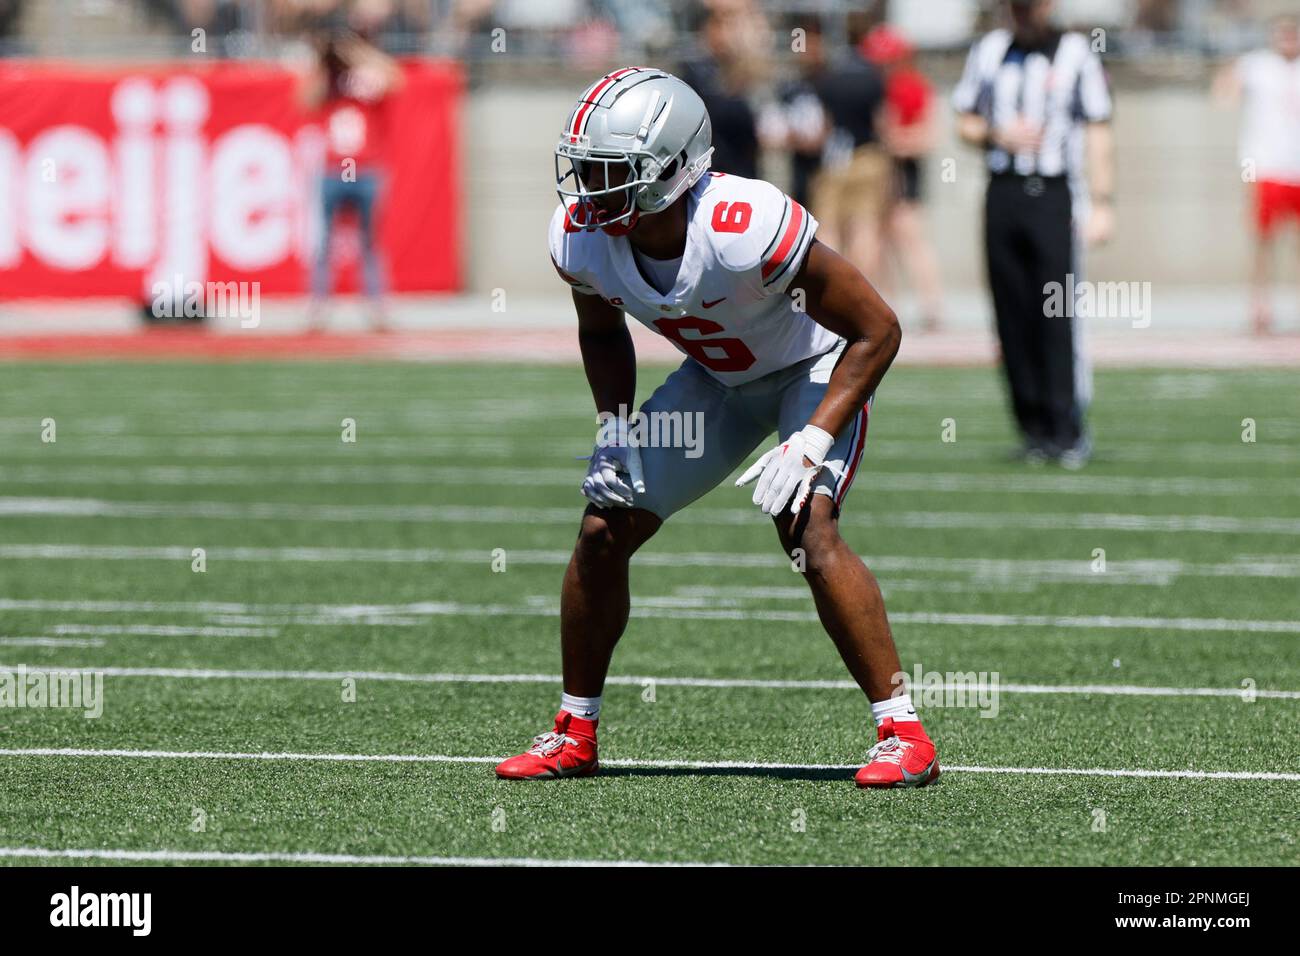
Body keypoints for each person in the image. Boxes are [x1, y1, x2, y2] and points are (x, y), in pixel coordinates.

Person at [494, 68, 939, 790]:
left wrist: (815, 437)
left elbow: (877, 329)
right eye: (586, 168)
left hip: (812, 371)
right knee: (603, 530)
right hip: (719, 385)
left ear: (670, 171)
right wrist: (613, 428)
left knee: (807, 527)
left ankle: (904, 732)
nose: (588, 189)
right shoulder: (584, 239)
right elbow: (603, 334)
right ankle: (574, 731)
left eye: (610, 172)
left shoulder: (741, 227)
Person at [953, 0, 1114, 469]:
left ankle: (1067, 428)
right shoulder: (989, 51)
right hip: (1003, 191)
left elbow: (1099, 126)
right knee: (1010, 311)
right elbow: (964, 119)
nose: (1022, 15)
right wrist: (997, 135)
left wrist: (1103, 201)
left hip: (1053, 193)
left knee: (1055, 308)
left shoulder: (1077, 53)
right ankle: (1032, 427)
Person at [300, 27, 403, 331]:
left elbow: (395, 79)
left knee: (370, 243)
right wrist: (324, 61)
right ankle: (318, 308)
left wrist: (355, 52)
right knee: (324, 243)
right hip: (333, 169)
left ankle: (377, 309)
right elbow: (304, 100)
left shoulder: (367, 78)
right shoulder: (328, 81)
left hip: (366, 170)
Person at [1214, 14, 1300, 336]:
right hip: (1265, 166)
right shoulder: (1258, 65)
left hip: (1298, 168)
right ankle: (1259, 305)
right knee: (1262, 239)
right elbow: (1224, 90)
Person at [862, 25, 945, 333]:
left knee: (911, 239)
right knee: (879, 242)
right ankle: (883, 309)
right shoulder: (878, 87)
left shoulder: (911, 86)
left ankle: (932, 308)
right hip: (881, 173)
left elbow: (926, 136)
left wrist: (892, 140)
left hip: (903, 174)